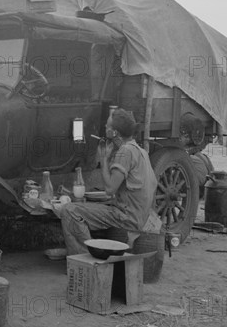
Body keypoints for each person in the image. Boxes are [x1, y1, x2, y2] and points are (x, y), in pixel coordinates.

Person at [60, 108, 158, 255]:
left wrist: (104, 159)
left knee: (70, 210)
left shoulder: (125, 151)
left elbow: (110, 189)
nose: (105, 128)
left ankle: (85, 257)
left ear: (114, 133)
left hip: (128, 217)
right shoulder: (140, 151)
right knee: (88, 206)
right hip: (140, 214)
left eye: (107, 126)